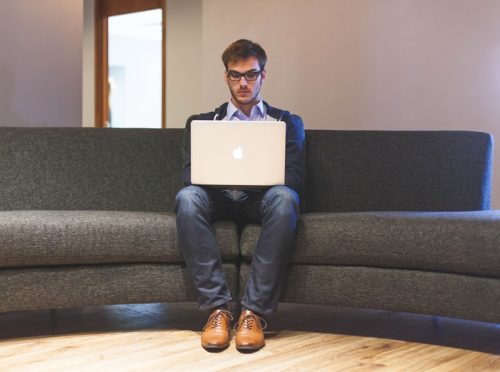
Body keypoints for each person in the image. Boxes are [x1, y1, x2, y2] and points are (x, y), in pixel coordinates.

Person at [175, 39, 306, 352]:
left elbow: (295, 179)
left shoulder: (287, 122)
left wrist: (255, 178)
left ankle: (253, 314)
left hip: (261, 202)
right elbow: (188, 176)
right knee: (187, 197)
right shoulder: (201, 123)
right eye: (236, 75)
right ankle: (218, 310)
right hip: (218, 198)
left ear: (263, 75)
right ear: (226, 77)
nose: (243, 83)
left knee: (285, 198)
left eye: (251, 74)